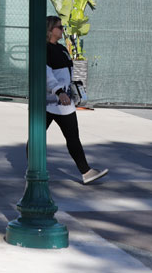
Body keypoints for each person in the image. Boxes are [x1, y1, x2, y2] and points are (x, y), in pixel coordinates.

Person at [44, 16, 108, 185]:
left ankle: (86, 172)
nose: (62, 29)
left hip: (64, 103)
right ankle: (33, 170)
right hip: (50, 101)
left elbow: (67, 73)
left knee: (73, 137)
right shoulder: (45, 49)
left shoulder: (62, 49)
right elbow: (47, 75)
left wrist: (72, 91)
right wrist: (58, 92)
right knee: (36, 136)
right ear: (50, 30)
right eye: (59, 26)